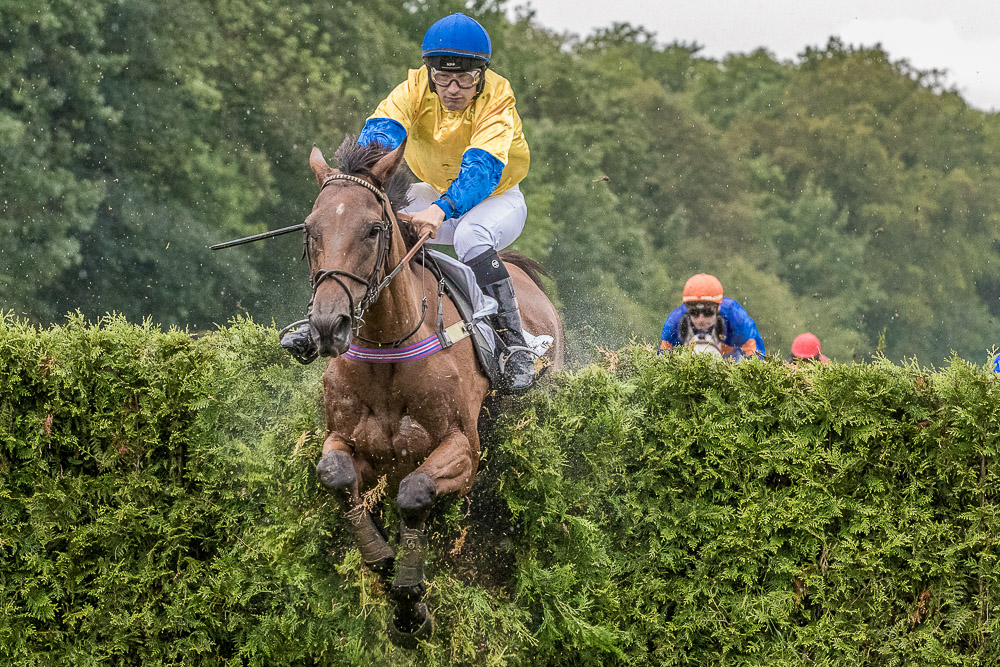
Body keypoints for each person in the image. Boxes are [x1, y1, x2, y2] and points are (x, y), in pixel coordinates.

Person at [282, 13, 538, 393]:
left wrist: (441, 209)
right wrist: (355, 186)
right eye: (443, 77)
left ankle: (514, 343)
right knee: (373, 220)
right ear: (429, 72)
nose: (452, 88)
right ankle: (324, 319)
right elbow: (380, 135)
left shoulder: (498, 99)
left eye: (464, 78)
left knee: (470, 234)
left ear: (481, 75)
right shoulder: (413, 88)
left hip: (496, 198)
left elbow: (481, 171)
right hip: (434, 190)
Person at [659, 273, 765, 358]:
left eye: (708, 312)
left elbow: (756, 359)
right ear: (687, 309)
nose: (701, 319)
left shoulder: (736, 318)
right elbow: (662, 361)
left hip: (732, 359)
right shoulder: (674, 323)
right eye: (694, 313)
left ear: (718, 307)